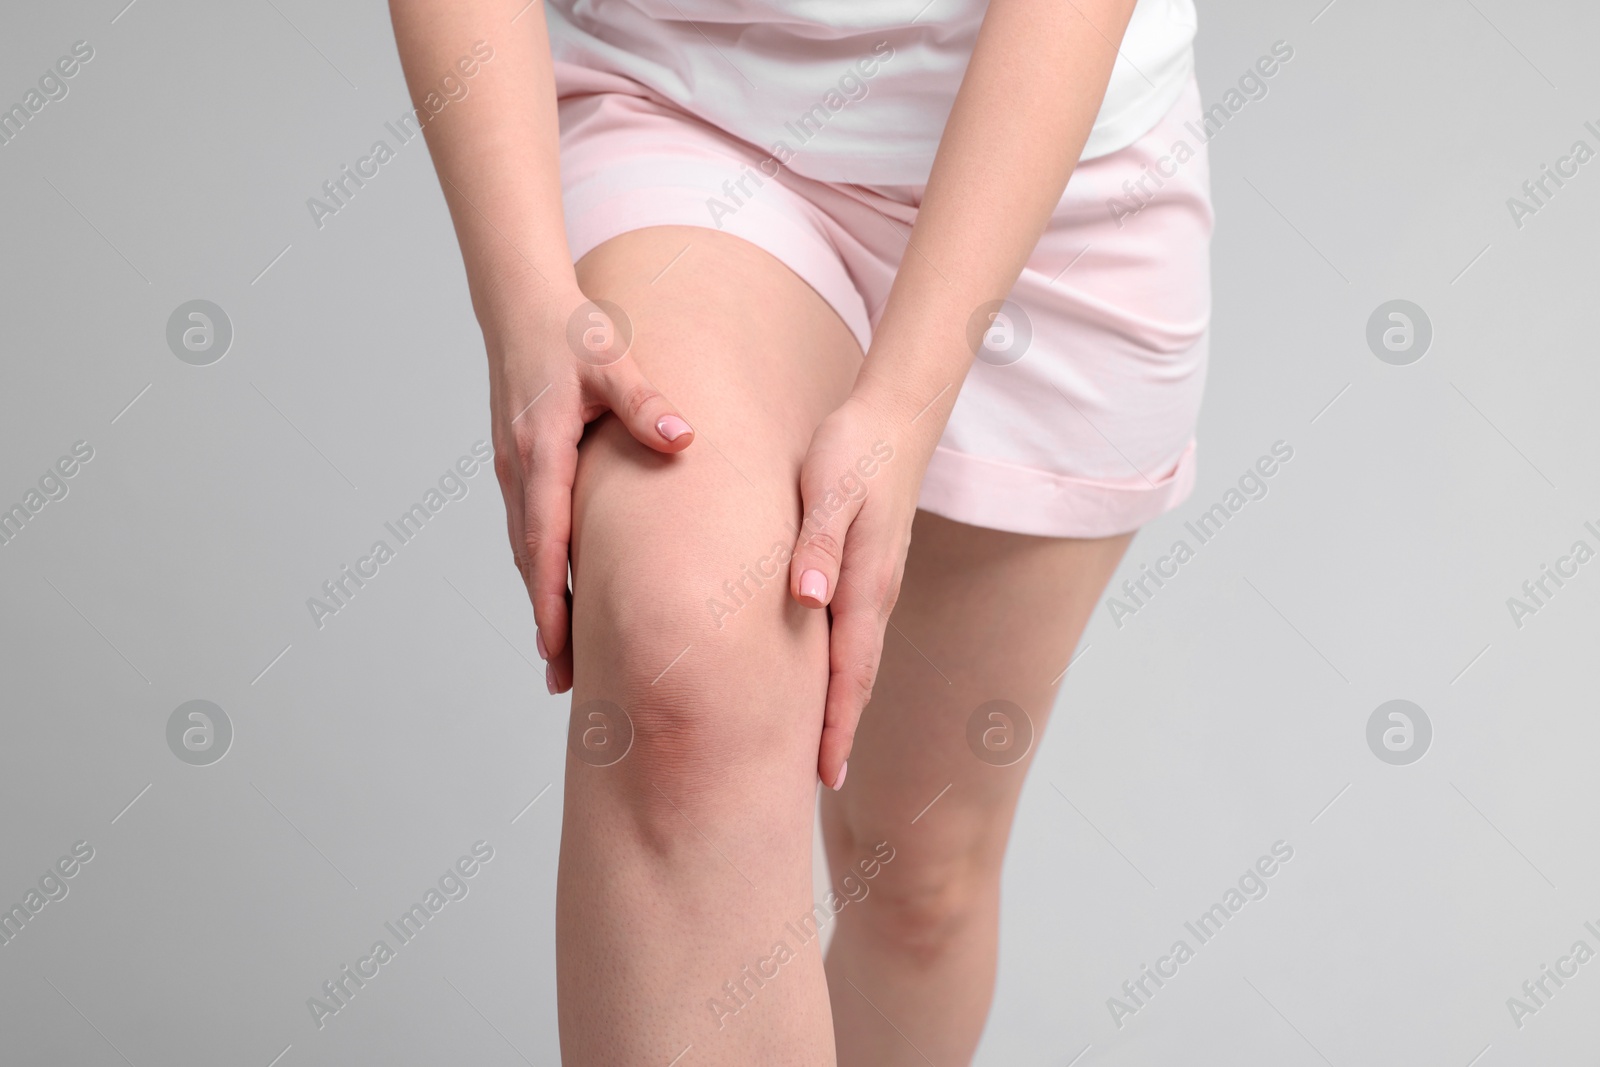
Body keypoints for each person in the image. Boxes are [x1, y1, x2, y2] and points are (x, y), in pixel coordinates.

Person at [389, 0, 1209, 1061]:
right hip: (695, 110)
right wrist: (521, 297)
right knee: (679, 676)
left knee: (917, 873)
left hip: (1058, 178)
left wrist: (909, 396)